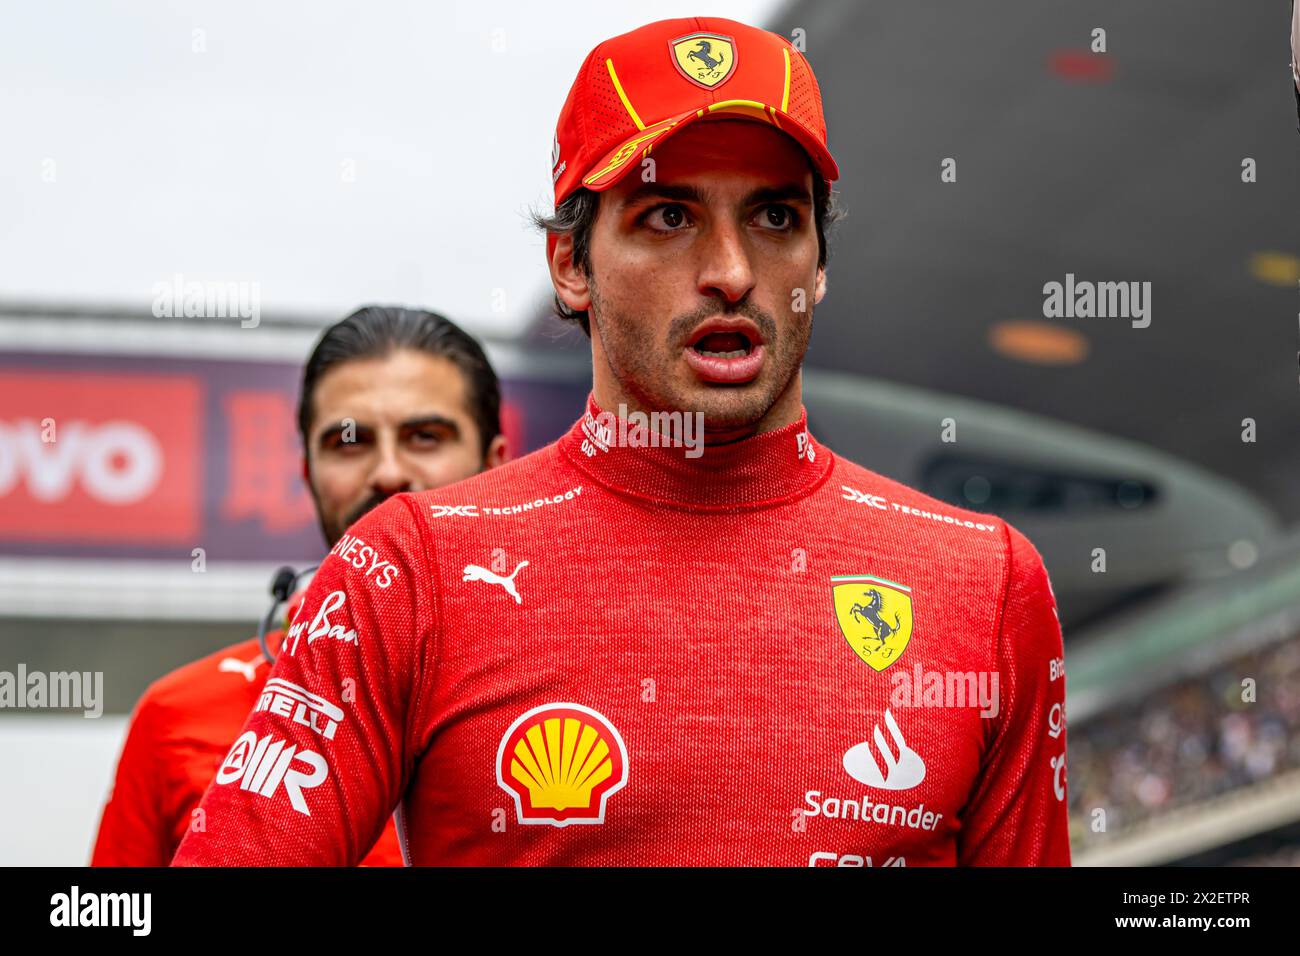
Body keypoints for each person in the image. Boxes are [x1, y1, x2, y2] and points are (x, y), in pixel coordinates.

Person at [175, 16, 1069, 867]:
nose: (730, 272)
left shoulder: (984, 583)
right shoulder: (407, 570)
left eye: (775, 217)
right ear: (571, 264)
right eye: (668, 217)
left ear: (820, 265)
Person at [92, 306, 508, 866]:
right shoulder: (176, 715)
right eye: (349, 441)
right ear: (308, 474)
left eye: (425, 437)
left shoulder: (572, 680)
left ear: (495, 464)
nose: (387, 471)